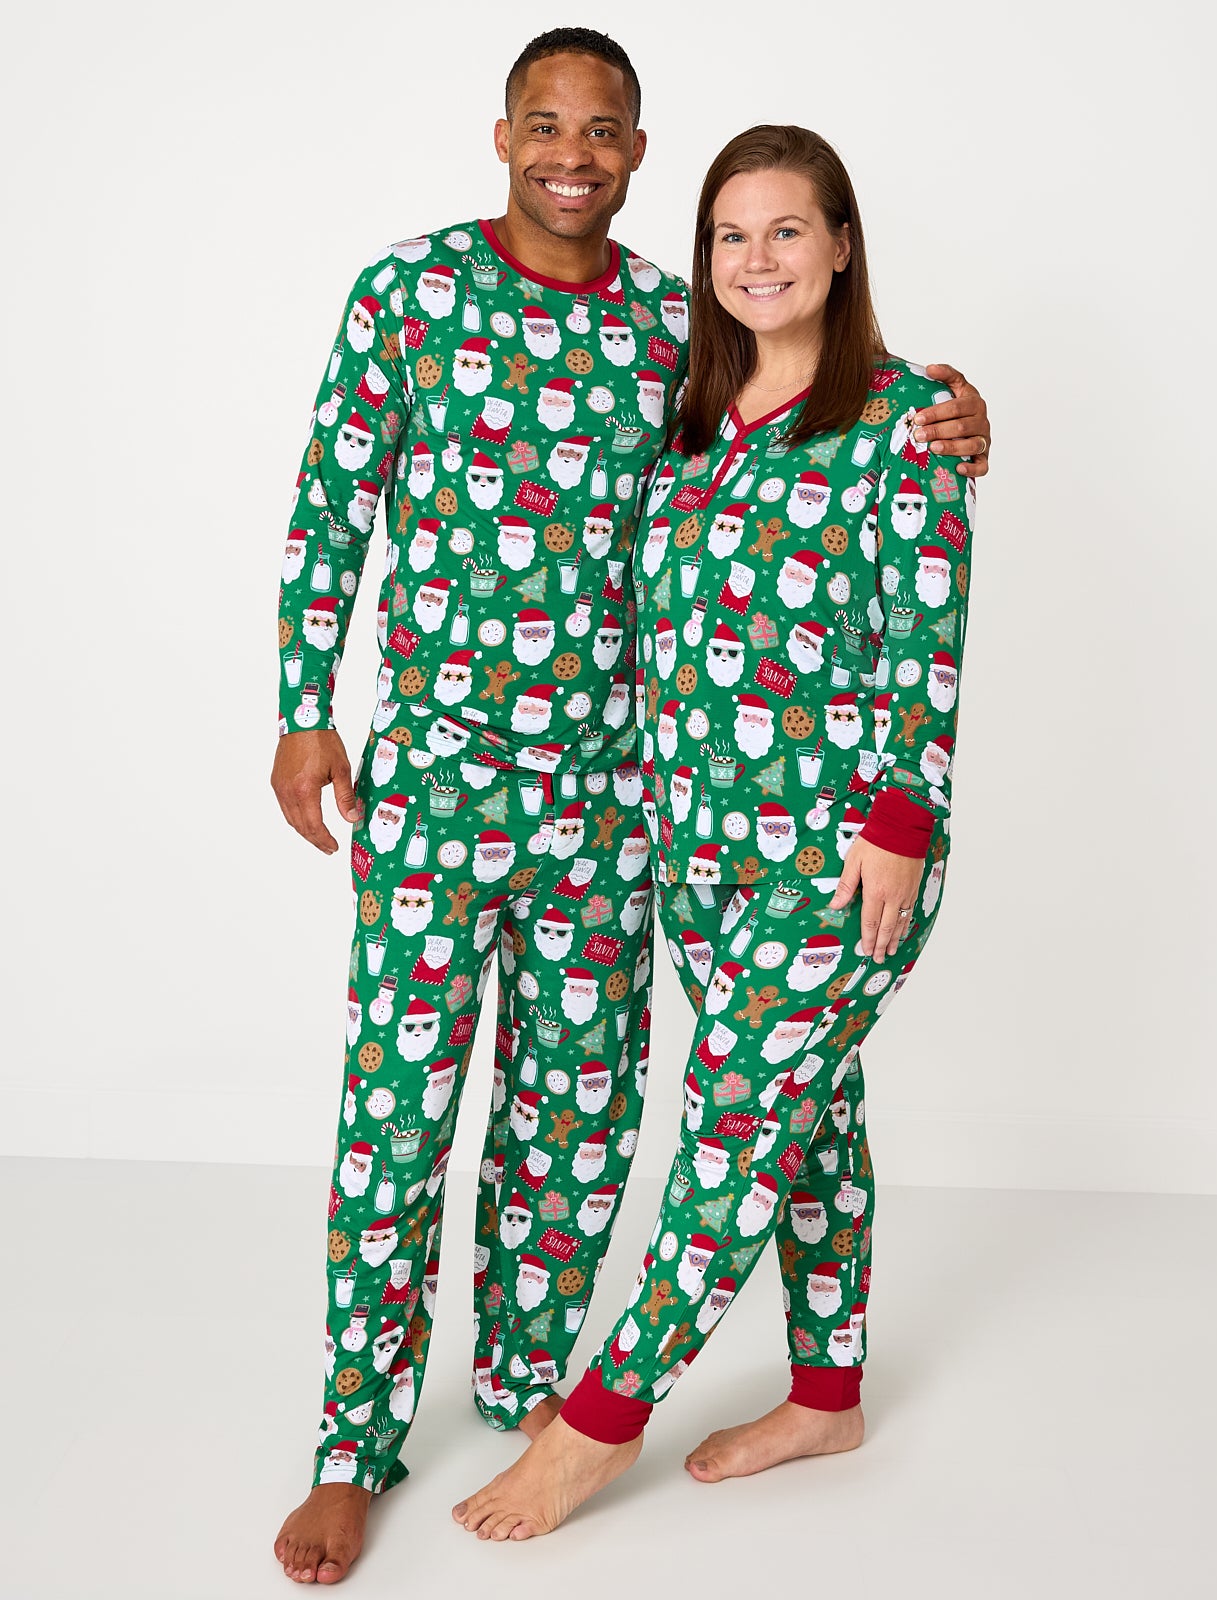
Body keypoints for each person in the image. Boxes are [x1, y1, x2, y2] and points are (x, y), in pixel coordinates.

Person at [274, 31, 991, 1584]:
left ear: (640, 151)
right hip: (445, 795)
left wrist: (950, 407)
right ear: (504, 135)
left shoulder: (685, 330)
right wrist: (300, 705)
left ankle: (546, 1389)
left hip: (630, 822)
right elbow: (332, 499)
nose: (574, 153)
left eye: (605, 129)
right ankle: (354, 1438)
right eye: (547, 124)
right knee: (398, 1114)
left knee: (582, 1123)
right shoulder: (411, 297)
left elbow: (865, 438)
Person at [453, 122, 982, 1542]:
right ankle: (828, 1393)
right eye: (730, 236)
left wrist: (900, 822)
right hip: (697, 861)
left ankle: (599, 1426)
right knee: (807, 1122)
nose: (757, 259)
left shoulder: (906, 418)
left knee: (733, 1132)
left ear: (842, 244)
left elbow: (927, 646)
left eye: (787, 231)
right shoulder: (683, 439)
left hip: (843, 859)